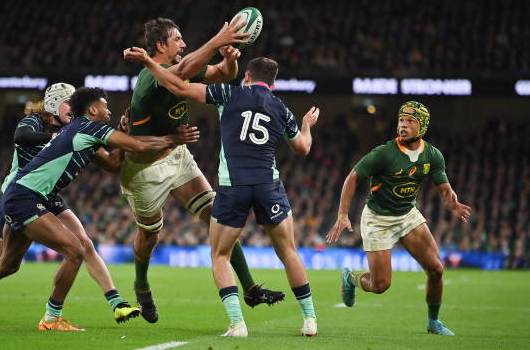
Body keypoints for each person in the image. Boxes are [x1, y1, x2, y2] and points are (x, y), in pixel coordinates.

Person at [0, 87, 200, 331]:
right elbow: (140, 146)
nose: (109, 111)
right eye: (105, 106)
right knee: (75, 250)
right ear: (91, 110)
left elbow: (113, 164)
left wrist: (123, 136)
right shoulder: (88, 127)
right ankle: (52, 317)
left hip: (30, 196)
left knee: (8, 265)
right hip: (25, 197)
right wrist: (172, 139)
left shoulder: (82, 130)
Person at [124, 48, 320, 337]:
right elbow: (302, 148)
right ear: (273, 84)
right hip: (268, 185)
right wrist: (307, 126)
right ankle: (310, 320)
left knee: (220, 256)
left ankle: (237, 324)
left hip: (234, 187)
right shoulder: (281, 108)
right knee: (288, 252)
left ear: (247, 77)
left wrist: (149, 62)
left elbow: (178, 85)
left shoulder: (228, 94)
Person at [325, 101, 472, 336]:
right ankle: (351, 277)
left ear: (422, 126)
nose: (403, 125)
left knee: (436, 269)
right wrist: (342, 215)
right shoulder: (384, 153)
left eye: (410, 121)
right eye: (401, 120)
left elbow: (444, 190)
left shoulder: (432, 155)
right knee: (380, 286)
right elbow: (352, 178)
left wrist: (452, 204)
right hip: (378, 219)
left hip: (407, 215)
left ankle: (433, 322)